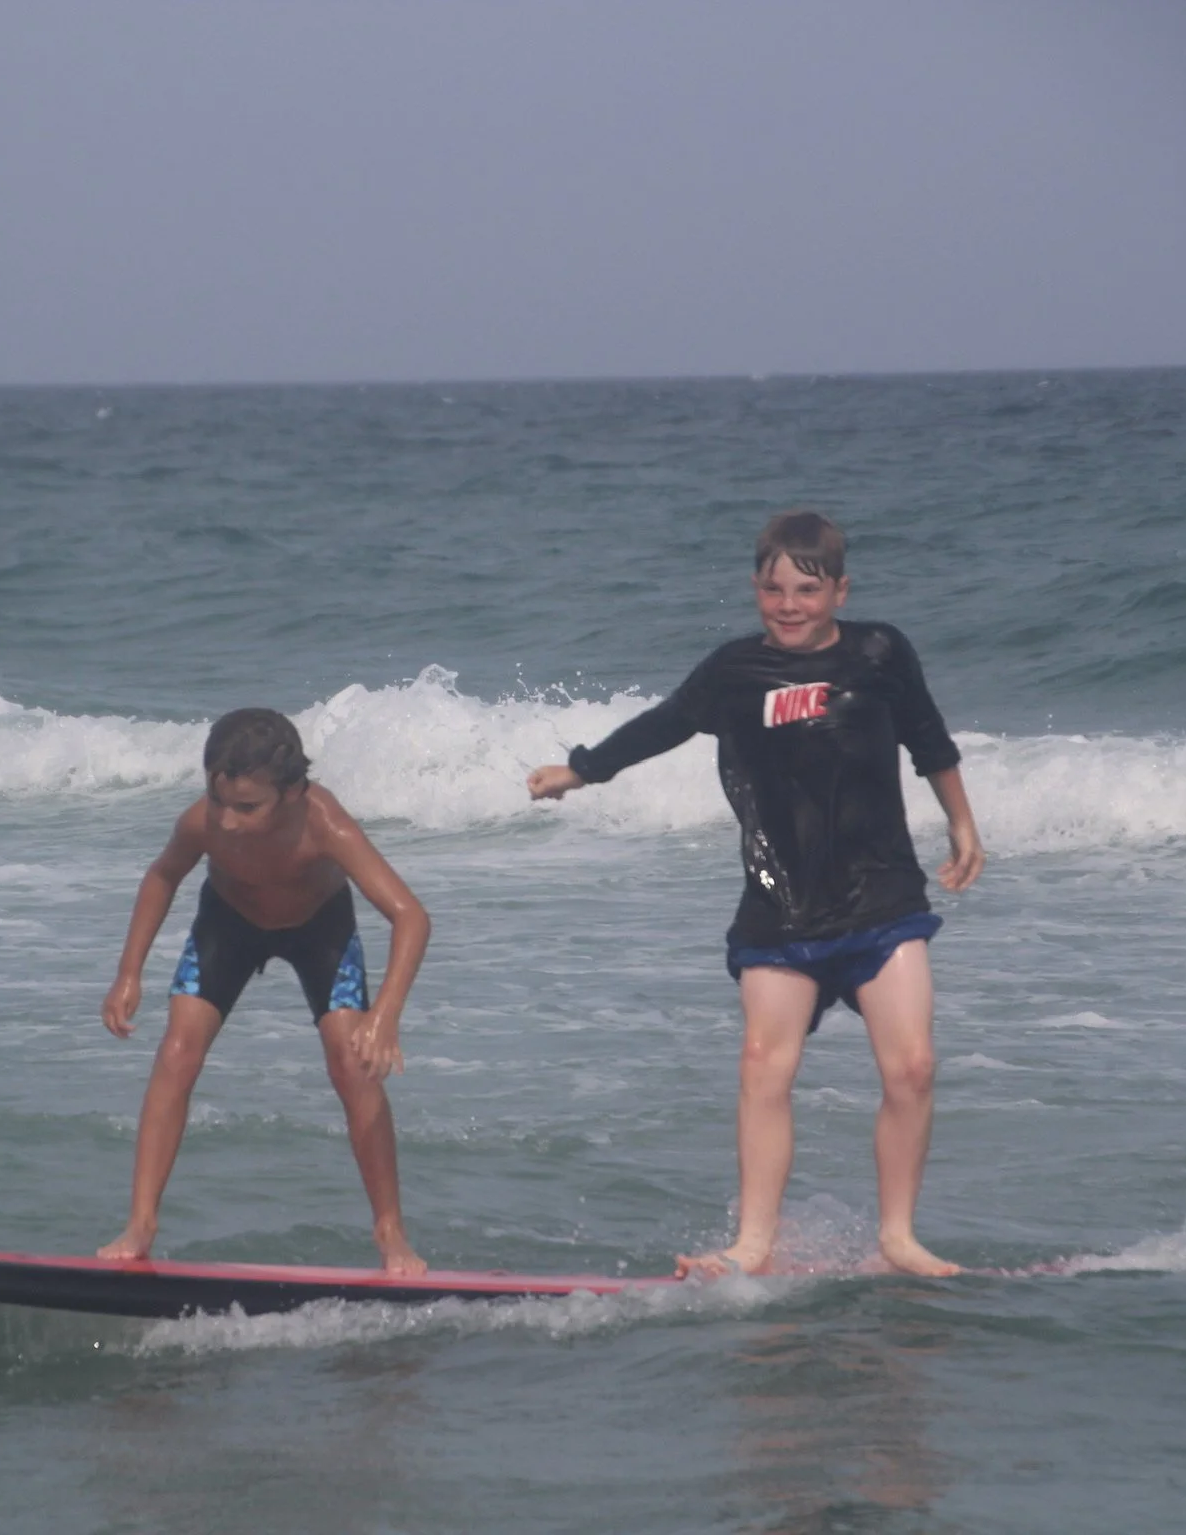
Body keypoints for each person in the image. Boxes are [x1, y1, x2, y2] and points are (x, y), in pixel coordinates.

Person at [527, 511, 984, 1278]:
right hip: (781, 908)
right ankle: (753, 1246)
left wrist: (963, 825)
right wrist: (583, 769)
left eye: (807, 589)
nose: (789, 604)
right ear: (755, 589)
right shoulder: (733, 673)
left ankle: (898, 1239)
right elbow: (664, 725)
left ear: (839, 589)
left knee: (912, 1068)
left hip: (882, 902)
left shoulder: (880, 652)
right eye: (773, 589)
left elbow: (929, 740)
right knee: (762, 1068)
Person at [100, 707, 430, 1275]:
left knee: (353, 1066)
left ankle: (390, 1231)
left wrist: (386, 1016)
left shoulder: (325, 825)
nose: (227, 822)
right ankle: (141, 1224)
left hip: (319, 929)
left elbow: (411, 917)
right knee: (176, 1052)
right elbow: (162, 875)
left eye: (247, 807)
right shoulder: (202, 822)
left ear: (295, 791)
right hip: (229, 924)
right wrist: (129, 971)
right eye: (217, 799)